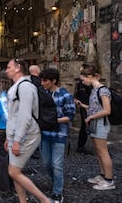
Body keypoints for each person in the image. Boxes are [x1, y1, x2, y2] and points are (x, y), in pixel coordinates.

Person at [5, 58, 52, 203]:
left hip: (27, 134)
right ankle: (22, 200)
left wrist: (17, 140)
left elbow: (24, 116)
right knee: (15, 171)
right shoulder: (18, 86)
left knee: (13, 171)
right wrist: (9, 138)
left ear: (18, 68)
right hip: (18, 135)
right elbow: (14, 115)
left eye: (9, 67)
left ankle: (44, 200)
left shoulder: (25, 87)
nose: (7, 70)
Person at [39, 68, 76, 202]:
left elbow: (70, 116)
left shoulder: (65, 95)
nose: (42, 83)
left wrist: (53, 121)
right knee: (46, 163)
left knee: (57, 165)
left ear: (53, 81)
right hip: (44, 134)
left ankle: (57, 192)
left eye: (45, 80)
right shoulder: (42, 94)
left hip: (59, 134)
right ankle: (57, 182)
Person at [77, 63, 115, 190]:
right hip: (95, 123)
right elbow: (94, 108)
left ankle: (109, 180)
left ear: (90, 76)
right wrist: (82, 105)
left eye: (83, 79)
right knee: (98, 152)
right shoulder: (94, 90)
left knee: (103, 152)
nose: (83, 82)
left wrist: (90, 117)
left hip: (100, 123)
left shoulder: (103, 90)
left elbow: (107, 110)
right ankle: (103, 175)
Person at [74, 77, 92, 153]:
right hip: (83, 107)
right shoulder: (79, 84)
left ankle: (100, 146)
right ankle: (80, 146)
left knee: (93, 126)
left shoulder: (93, 85)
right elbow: (75, 96)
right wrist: (76, 102)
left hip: (91, 107)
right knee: (84, 125)